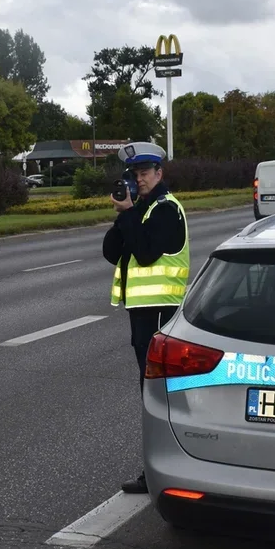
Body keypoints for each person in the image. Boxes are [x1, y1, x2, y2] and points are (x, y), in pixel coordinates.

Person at [102, 142, 190, 494]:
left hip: (160, 314)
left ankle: (159, 470)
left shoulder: (166, 209)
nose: (139, 180)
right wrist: (123, 213)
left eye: (144, 174)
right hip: (144, 315)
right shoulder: (144, 209)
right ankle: (159, 467)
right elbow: (113, 252)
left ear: (159, 174)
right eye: (134, 175)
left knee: (158, 395)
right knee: (152, 393)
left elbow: (147, 253)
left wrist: (129, 215)